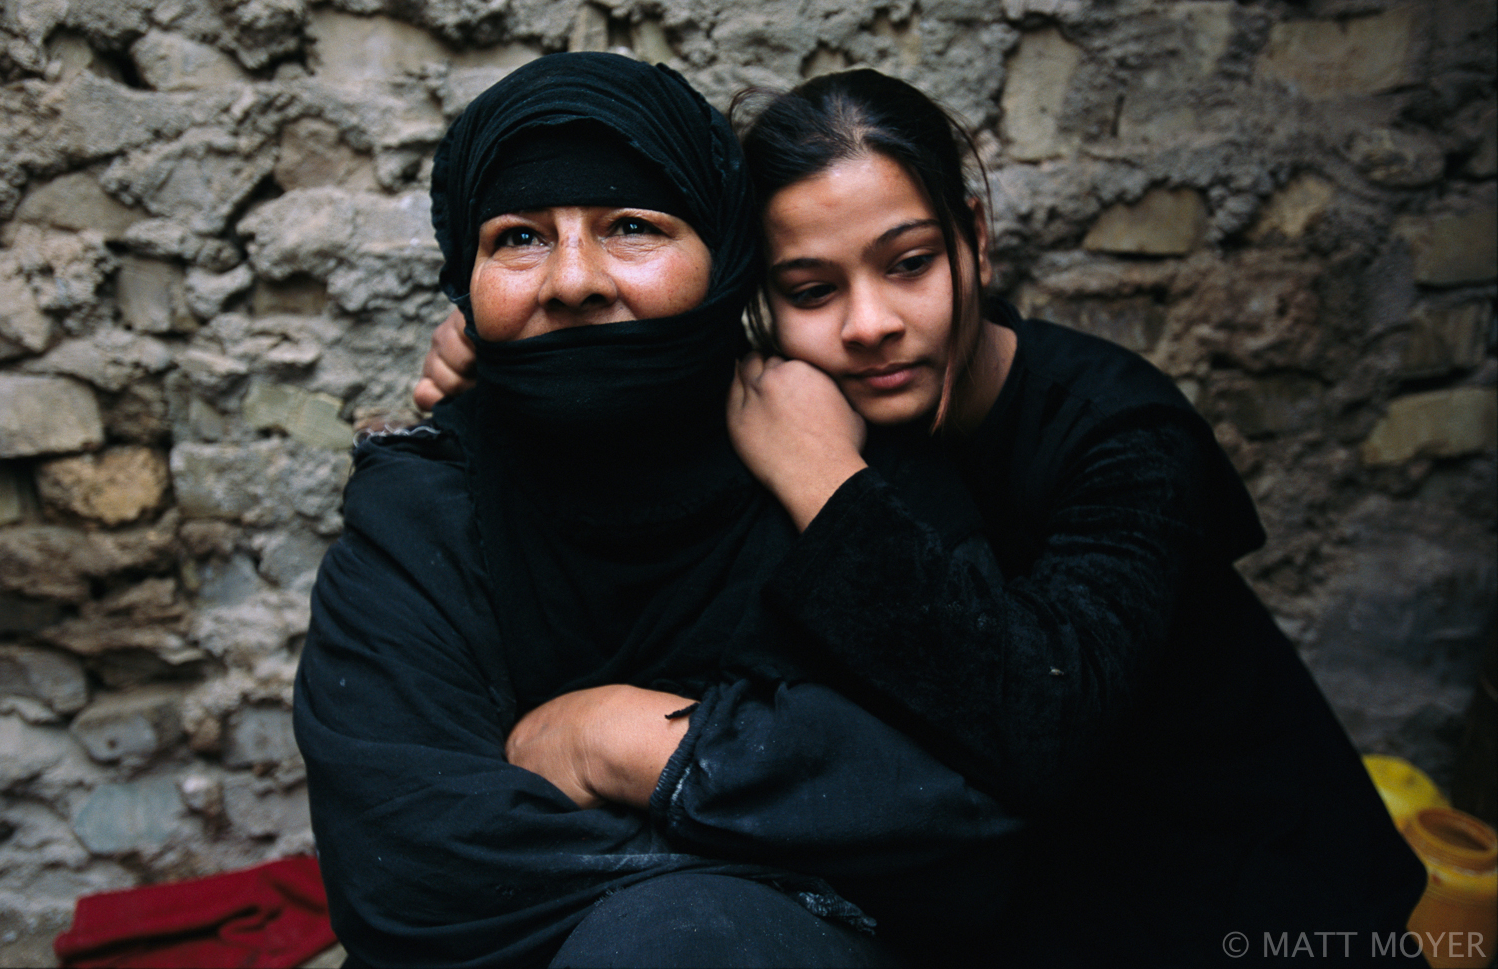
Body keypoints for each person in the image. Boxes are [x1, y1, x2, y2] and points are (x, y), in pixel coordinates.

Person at [417, 67, 1428, 965]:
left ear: (973, 241)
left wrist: (825, 483)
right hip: (1025, 907)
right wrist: (503, 366)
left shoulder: (1120, 432)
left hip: (1256, 899)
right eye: (811, 287)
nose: (870, 323)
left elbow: (1038, 721)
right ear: (754, 297)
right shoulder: (770, 394)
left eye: (907, 262)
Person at [296, 52, 1022, 969]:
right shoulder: (421, 507)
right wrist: (790, 812)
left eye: (632, 226)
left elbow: (962, 802)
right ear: (464, 279)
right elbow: (409, 870)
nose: (572, 280)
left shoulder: (844, 464)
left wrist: (619, 746)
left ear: (726, 261)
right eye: (517, 237)